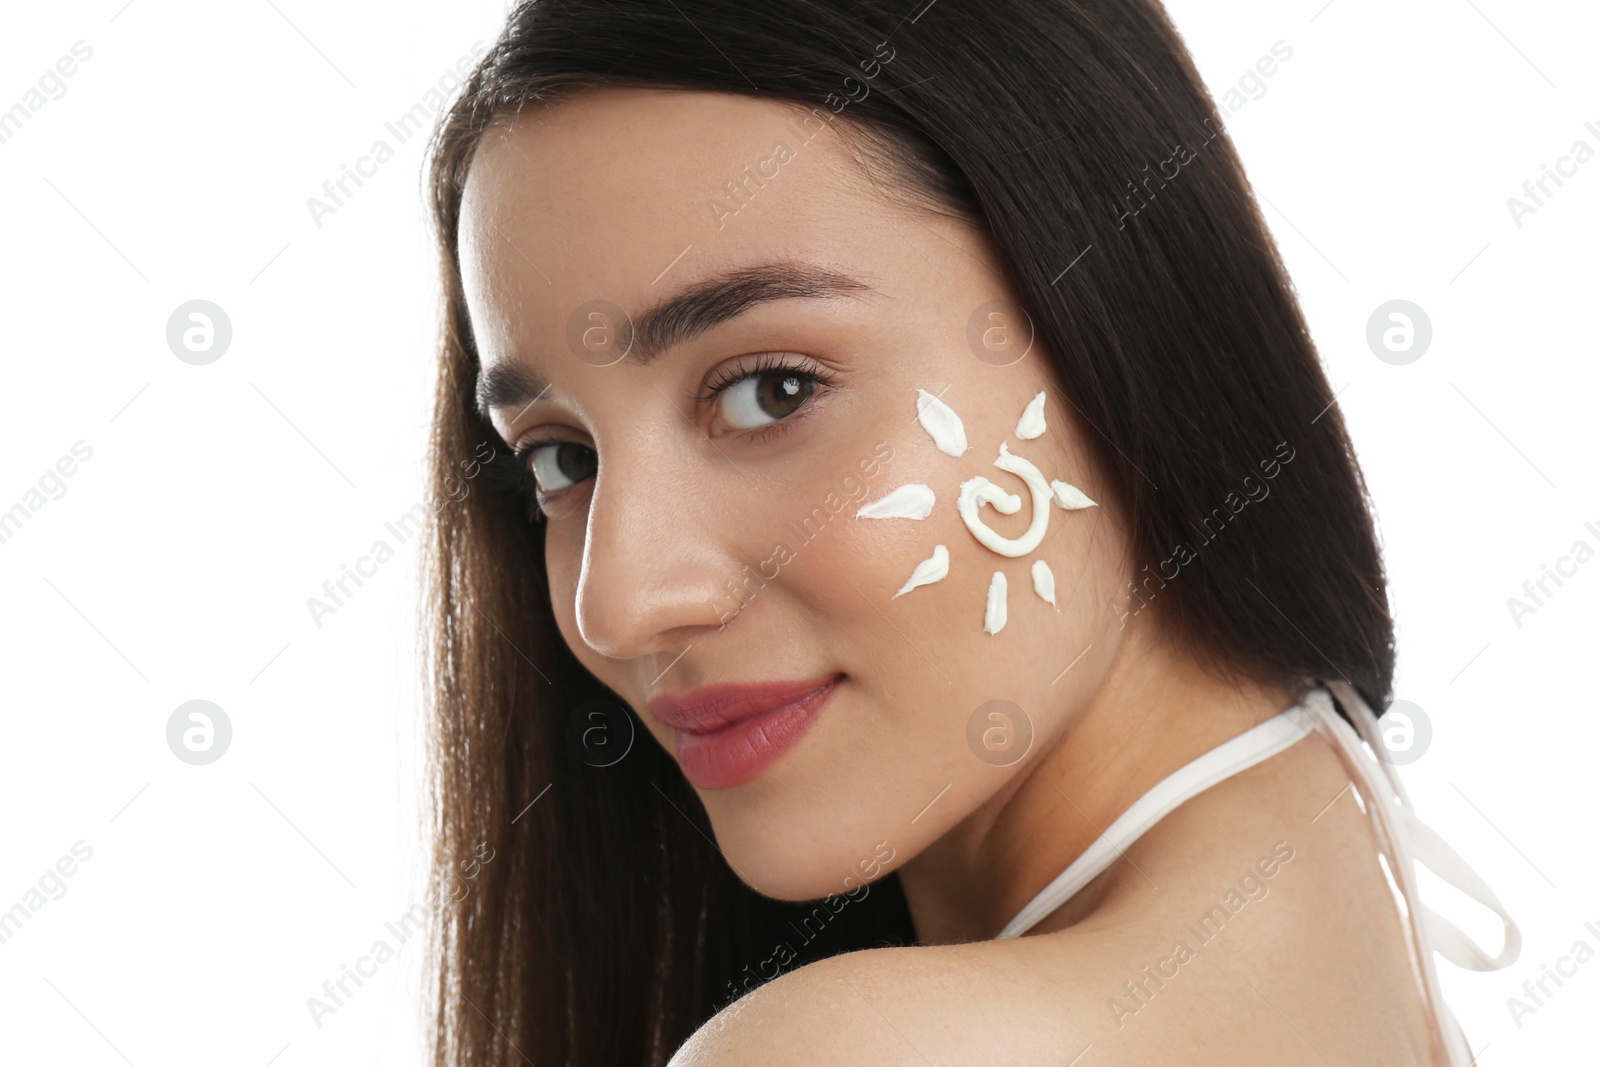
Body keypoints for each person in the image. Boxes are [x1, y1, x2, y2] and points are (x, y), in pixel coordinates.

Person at [419, 1, 1519, 1063]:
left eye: (771, 391)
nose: (617, 600)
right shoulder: (1332, 855)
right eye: (560, 459)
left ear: (1122, 321)